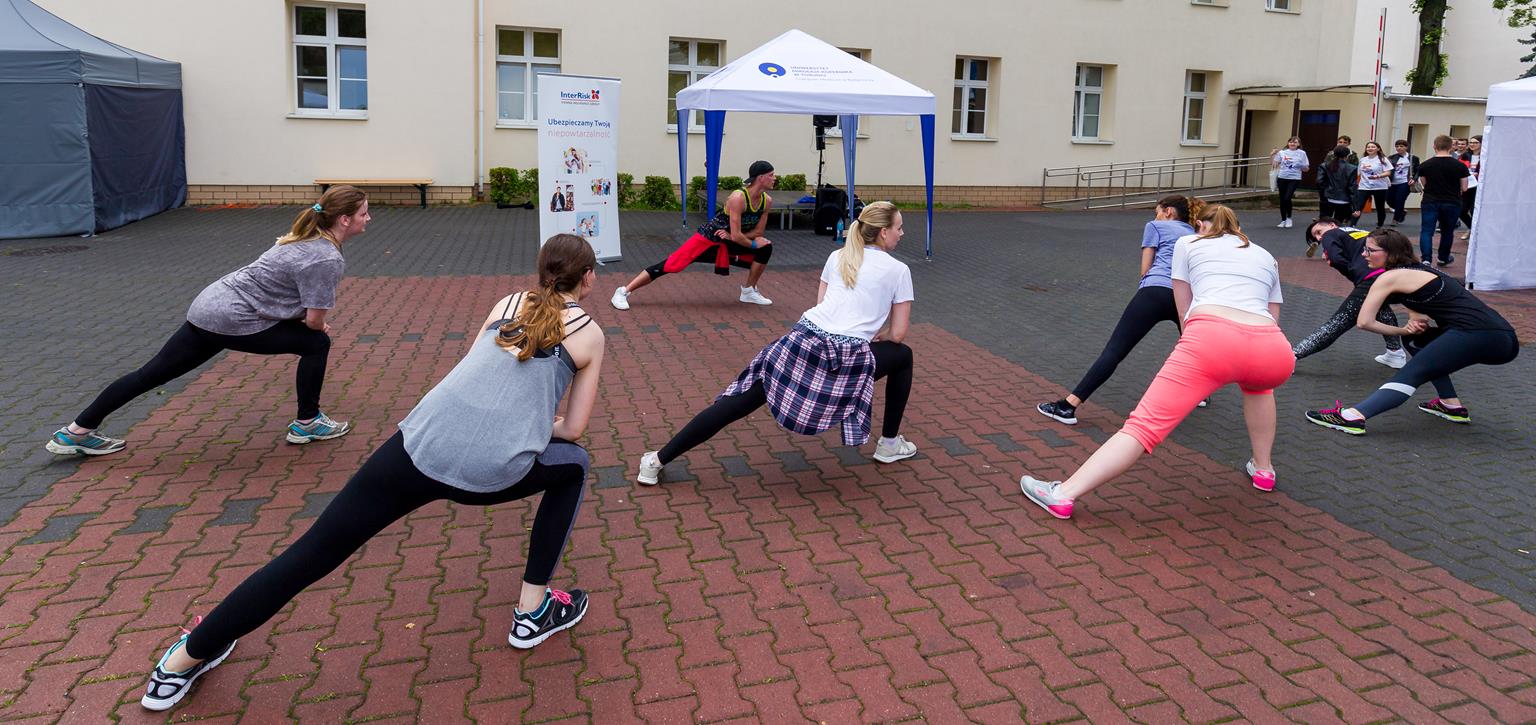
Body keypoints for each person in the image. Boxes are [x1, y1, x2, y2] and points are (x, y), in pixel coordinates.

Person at [138, 235, 606, 711]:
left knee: (311, 553)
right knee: (575, 465)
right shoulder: (590, 335)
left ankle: (180, 663)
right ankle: (532, 609)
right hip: (491, 469)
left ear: (542, 270)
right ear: (587, 278)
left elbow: (474, 371)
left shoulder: (508, 303)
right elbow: (573, 429)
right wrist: (536, 423)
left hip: (419, 443)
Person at [46, 187, 367, 457]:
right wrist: (316, 326)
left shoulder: (302, 236)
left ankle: (75, 432)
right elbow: (314, 319)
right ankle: (308, 423)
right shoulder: (325, 257)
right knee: (316, 343)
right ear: (344, 219)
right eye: (364, 213)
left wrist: (308, 322)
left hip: (208, 308)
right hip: (232, 318)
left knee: (150, 374)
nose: (368, 218)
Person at [1020, 205, 1293, 519]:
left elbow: (1183, 306)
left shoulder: (1188, 243)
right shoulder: (1265, 256)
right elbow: (1273, 315)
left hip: (1211, 338)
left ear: (1201, 225)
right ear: (1237, 227)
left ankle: (1063, 494)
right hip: (1273, 349)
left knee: (1143, 427)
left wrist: (1198, 348)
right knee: (1259, 390)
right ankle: (1263, 469)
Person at [635, 201, 917, 485]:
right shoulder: (899, 270)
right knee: (902, 356)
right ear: (883, 232)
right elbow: (898, 334)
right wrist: (878, 335)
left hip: (802, 339)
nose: (902, 233)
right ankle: (889, 444)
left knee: (740, 401)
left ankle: (657, 460)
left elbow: (822, 305)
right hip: (846, 354)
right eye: (899, 227)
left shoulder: (838, 256)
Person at [1305, 229, 1518, 435]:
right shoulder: (1420, 270)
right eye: (1364, 249)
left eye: (1370, 250)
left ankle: (1352, 417)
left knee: (1412, 373)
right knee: (1417, 340)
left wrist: (1401, 330)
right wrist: (1412, 327)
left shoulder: (1388, 277)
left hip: (1476, 333)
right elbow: (1423, 310)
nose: (1363, 254)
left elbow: (1364, 322)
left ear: (1391, 253)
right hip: (1503, 339)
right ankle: (1450, 404)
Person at [1036, 196, 1204, 425]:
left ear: (1169, 212)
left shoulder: (1155, 226)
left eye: (1157, 211)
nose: (1155, 216)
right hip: (1183, 297)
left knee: (1114, 351)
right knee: (1194, 348)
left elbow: (1145, 269)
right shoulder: (1195, 234)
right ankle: (1200, 394)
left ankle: (1068, 407)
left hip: (1153, 292)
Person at [611, 160, 778, 309]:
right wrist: (750, 242)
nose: (774, 178)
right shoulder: (738, 198)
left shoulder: (767, 201)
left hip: (729, 240)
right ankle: (623, 291)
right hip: (708, 239)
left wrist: (736, 236)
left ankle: (749, 291)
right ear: (760, 177)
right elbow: (738, 235)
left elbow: (758, 232)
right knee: (670, 264)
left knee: (766, 247)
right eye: (771, 175)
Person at [1299, 218, 1405, 367]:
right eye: (1316, 237)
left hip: (1371, 278)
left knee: (1338, 322)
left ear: (1332, 225)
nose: (1319, 238)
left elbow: (1336, 259)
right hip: (1394, 274)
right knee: (1381, 309)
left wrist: (1354, 273)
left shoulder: (1331, 233)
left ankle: (1291, 355)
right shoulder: (1362, 233)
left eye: (1318, 232)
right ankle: (1395, 353)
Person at [1416, 134, 1469, 266]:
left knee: (1427, 230)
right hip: (1452, 201)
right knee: (1447, 231)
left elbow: (1424, 183)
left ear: (1434, 146)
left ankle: (1426, 259)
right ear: (1451, 147)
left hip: (1430, 200)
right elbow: (1464, 187)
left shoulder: (1425, 165)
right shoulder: (1460, 166)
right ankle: (1443, 257)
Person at [1352, 141, 1392, 229]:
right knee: (1358, 206)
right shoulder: (1363, 160)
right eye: (1368, 147)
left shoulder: (1383, 159)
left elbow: (1388, 172)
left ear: (1378, 149)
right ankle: (1352, 224)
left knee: (1380, 207)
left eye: (1373, 147)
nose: (1370, 148)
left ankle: (1380, 224)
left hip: (1380, 187)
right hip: (1364, 186)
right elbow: (1358, 173)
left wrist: (1378, 176)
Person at [1271, 137, 1310, 228]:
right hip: (1282, 177)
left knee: (1287, 198)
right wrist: (1272, 155)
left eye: (1295, 142)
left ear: (1298, 144)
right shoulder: (1282, 152)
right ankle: (1283, 220)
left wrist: (1302, 166)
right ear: (1288, 143)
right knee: (1282, 199)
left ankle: (1289, 218)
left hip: (1294, 178)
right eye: (1291, 142)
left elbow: (1306, 169)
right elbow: (1274, 164)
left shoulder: (1302, 153)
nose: (1292, 144)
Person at [1316, 146, 1357, 224]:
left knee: (1324, 222)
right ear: (1347, 155)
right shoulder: (1352, 168)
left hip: (1328, 197)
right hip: (1344, 199)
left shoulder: (1324, 165)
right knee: (1338, 223)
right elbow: (1352, 187)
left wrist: (1323, 193)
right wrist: (1355, 206)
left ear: (1334, 154)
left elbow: (1319, 181)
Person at [1387, 139, 1420, 227]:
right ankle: (1401, 211)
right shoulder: (1392, 157)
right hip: (1392, 182)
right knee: (1389, 199)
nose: (1399, 148)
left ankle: (1395, 219)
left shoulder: (1413, 158)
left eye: (1401, 146)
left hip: (1405, 182)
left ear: (1406, 147)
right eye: (1397, 146)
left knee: (1400, 200)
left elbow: (1418, 170)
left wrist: (1414, 179)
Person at [1458, 135, 1482, 229]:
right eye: (1471, 142)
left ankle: (1475, 231)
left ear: (1481, 144)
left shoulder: (1485, 156)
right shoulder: (1465, 155)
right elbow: (1460, 168)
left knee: (1473, 210)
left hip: (1479, 186)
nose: (1472, 144)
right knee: (1461, 210)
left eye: (1475, 142)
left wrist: (1478, 174)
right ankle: (1473, 228)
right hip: (1467, 185)